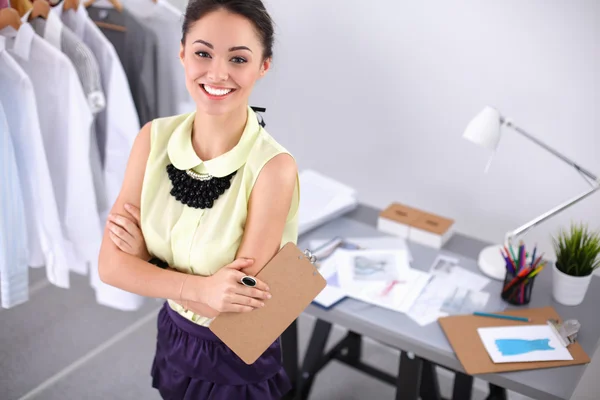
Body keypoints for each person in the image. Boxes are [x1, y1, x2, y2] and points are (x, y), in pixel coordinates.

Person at [97, 0, 299, 398]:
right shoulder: (152, 138)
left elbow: (232, 310)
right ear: (182, 54)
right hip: (175, 335)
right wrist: (201, 289)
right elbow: (110, 267)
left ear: (263, 66)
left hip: (235, 358)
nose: (217, 73)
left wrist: (147, 262)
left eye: (238, 59)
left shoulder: (274, 169)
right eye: (203, 53)